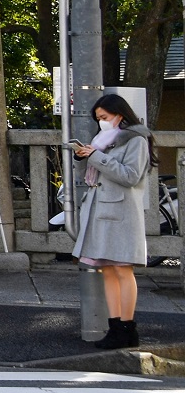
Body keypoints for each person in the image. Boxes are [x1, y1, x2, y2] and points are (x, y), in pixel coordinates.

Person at [71, 93, 153, 350]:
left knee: (122, 269)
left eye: (104, 117)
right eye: (98, 118)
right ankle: (115, 327)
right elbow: (89, 176)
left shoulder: (136, 139)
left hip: (122, 211)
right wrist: (82, 157)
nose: (101, 122)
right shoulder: (102, 140)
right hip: (100, 209)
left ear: (119, 115)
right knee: (106, 269)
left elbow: (130, 176)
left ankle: (127, 328)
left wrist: (96, 155)